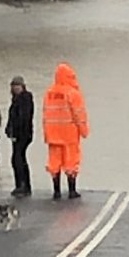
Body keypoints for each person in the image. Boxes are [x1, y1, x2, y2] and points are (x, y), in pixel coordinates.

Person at [43, 63, 89, 200]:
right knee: (71, 162)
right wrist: (84, 131)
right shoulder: (73, 94)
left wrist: (46, 133)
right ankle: (72, 190)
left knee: (54, 163)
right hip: (69, 134)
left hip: (53, 134)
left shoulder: (49, 93)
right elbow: (79, 114)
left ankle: (56, 191)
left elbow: (45, 115)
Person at [5, 75, 34, 196]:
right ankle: (24, 185)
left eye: (18, 86)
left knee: (17, 158)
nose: (16, 88)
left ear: (22, 87)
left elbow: (24, 118)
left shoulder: (25, 99)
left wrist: (17, 130)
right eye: (14, 86)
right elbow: (12, 117)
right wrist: (8, 128)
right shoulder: (16, 100)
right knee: (19, 158)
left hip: (23, 134)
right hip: (17, 134)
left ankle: (21, 185)